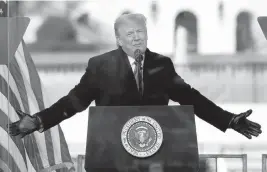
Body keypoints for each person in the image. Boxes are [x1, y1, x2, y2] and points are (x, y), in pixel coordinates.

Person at [8, 12, 261, 169]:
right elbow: (73, 102)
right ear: (118, 39)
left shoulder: (162, 65)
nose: (137, 37)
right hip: (111, 156)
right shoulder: (100, 66)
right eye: (130, 33)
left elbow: (191, 97)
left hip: (158, 157)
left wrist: (228, 120)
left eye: (141, 32)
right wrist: (39, 120)